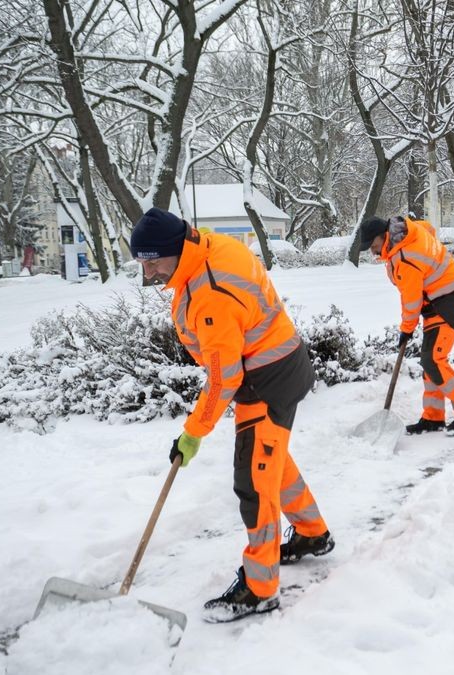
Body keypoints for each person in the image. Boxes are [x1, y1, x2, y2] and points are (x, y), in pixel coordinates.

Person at [130, 207, 334, 623]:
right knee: (271, 462)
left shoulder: (210, 293)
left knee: (254, 484)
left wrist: (193, 433)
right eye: (142, 263)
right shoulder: (209, 247)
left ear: (175, 249)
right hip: (281, 361)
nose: (149, 273)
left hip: (266, 381)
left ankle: (260, 589)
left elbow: (224, 378)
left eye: (153, 262)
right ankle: (313, 534)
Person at [359, 214, 454, 435]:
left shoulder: (404, 256)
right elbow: (429, 229)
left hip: (449, 303)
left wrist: (406, 330)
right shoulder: (409, 233)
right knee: (429, 361)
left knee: (434, 359)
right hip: (438, 304)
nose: (373, 251)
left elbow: (411, 299)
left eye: (373, 245)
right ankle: (433, 418)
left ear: (383, 235)